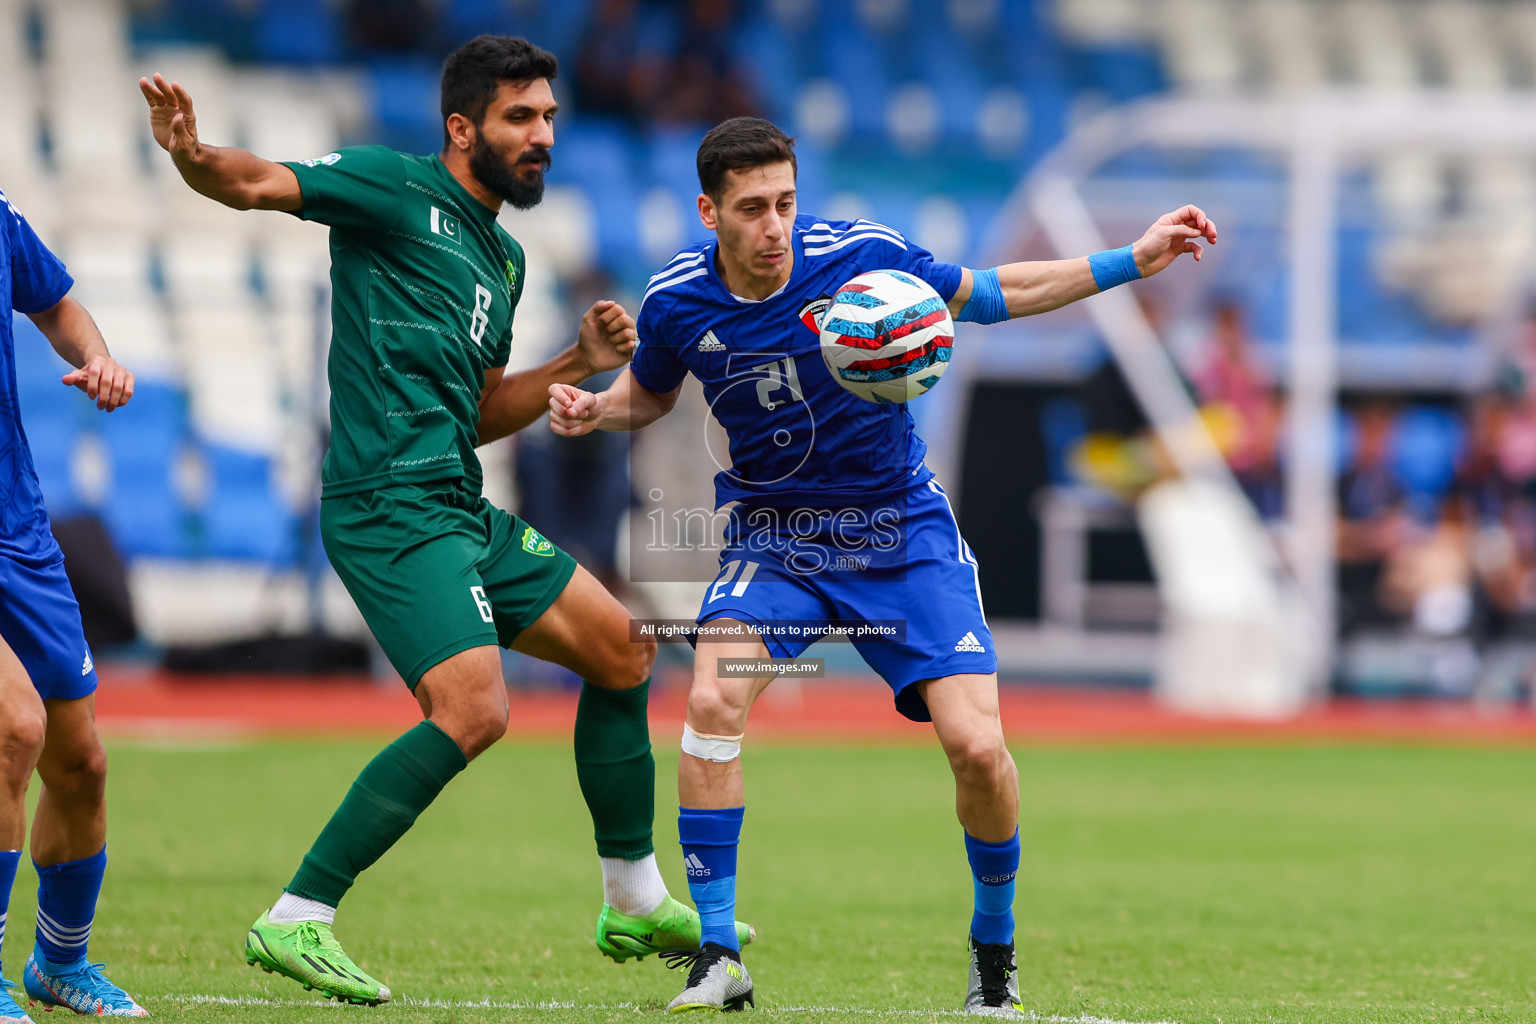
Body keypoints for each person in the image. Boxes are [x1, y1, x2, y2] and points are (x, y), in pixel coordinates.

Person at [548, 117, 1216, 1015]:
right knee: (710, 700)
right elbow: (653, 392)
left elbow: (987, 293)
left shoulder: (863, 259)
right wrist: (600, 410)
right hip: (776, 542)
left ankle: (994, 962)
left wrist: (1128, 260)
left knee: (978, 749)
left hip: (899, 536)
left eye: (785, 201)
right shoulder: (676, 301)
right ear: (710, 211)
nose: (774, 225)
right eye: (752, 208)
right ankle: (717, 955)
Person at [139, 36, 750, 1007]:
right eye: (521, 117)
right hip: (386, 504)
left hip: (456, 501)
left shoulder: (502, 256)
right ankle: (299, 915)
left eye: (549, 116)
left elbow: (476, 409)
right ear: (464, 128)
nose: (542, 134)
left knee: (624, 649)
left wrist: (574, 362)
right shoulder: (390, 187)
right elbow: (253, 182)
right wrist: (191, 156)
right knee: (476, 709)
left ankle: (632, 895)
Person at [0, 187, 145, 1017]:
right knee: (13, 726)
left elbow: (56, 302)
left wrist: (98, 356)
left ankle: (59, 963)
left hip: (16, 524)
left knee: (79, 763)